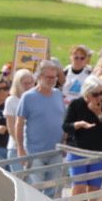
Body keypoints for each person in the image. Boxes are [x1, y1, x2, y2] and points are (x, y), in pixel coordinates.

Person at [63, 78, 102, 201]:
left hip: (98, 152)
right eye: (95, 94)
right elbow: (65, 126)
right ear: (86, 94)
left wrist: (99, 114)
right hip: (78, 151)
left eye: (101, 93)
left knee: (94, 188)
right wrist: (79, 124)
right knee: (79, 187)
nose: (99, 97)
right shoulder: (76, 104)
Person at [16, 58, 68, 194]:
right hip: (35, 152)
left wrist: (65, 141)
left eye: (54, 77)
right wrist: (20, 148)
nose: (52, 80)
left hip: (56, 151)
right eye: (48, 77)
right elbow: (19, 123)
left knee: (52, 190)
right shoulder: (28, 97)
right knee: (36, 191)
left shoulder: (58, 94)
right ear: (39, 77)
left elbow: (63, 120)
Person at [4, 68, 34, 164]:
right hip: (15, 148)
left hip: (33, 147)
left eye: (30, 83)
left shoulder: (35, 99)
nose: (28, 86)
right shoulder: (11, 100)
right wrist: (20, 147)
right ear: (17, 84)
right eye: (25, 83)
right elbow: (11, 126)